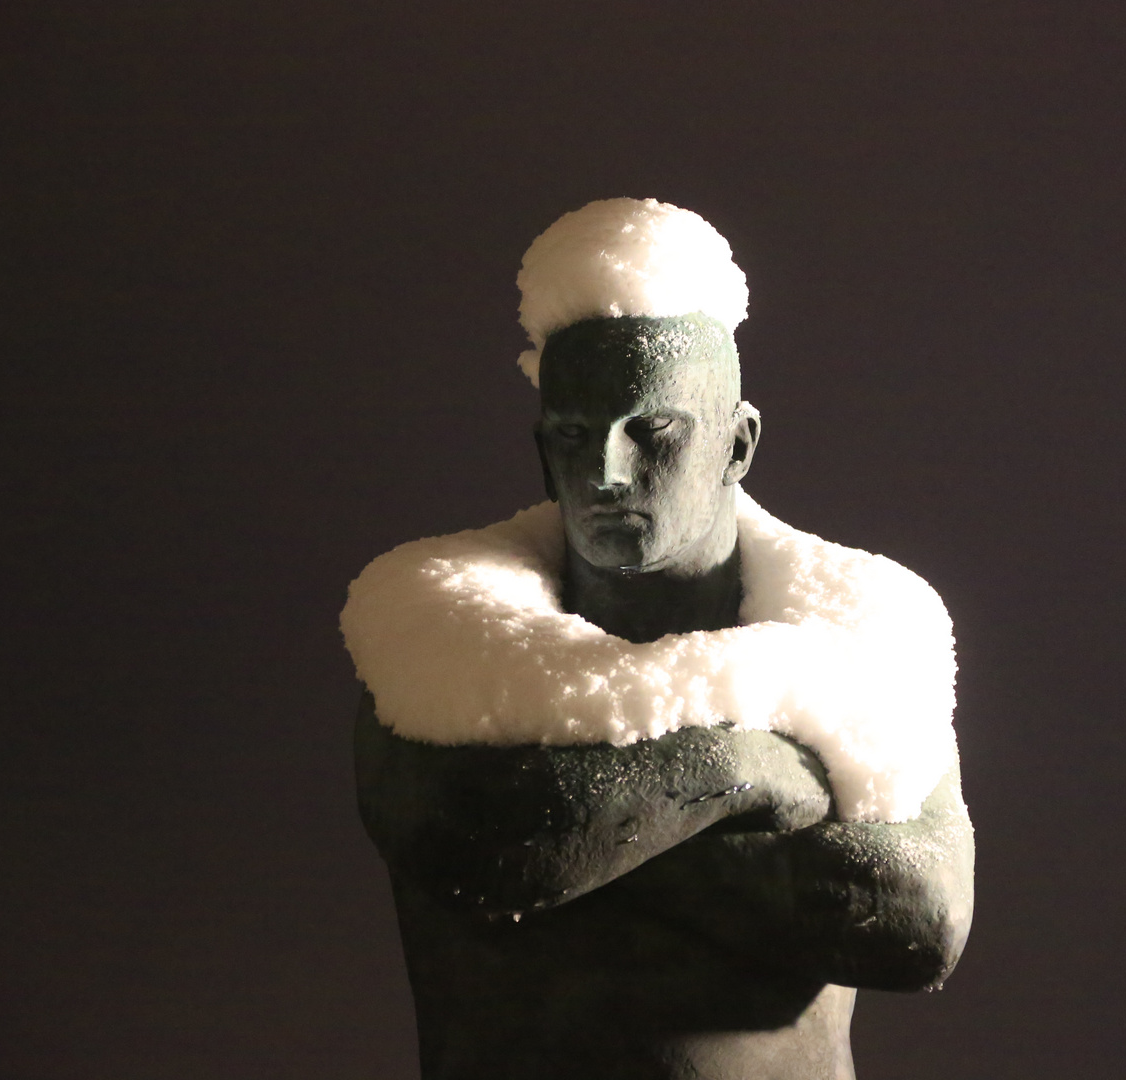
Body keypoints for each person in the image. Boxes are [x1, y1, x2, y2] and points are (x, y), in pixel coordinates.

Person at [345, 199, 974, 1079]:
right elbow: (480, 851)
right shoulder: (433, 631)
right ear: (541, 449)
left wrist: (596, 826)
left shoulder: (862, 631)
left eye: (654, 432)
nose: (607, 472)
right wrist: (752, 768)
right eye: (575, 435)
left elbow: (913, 925)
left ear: (739, 442)